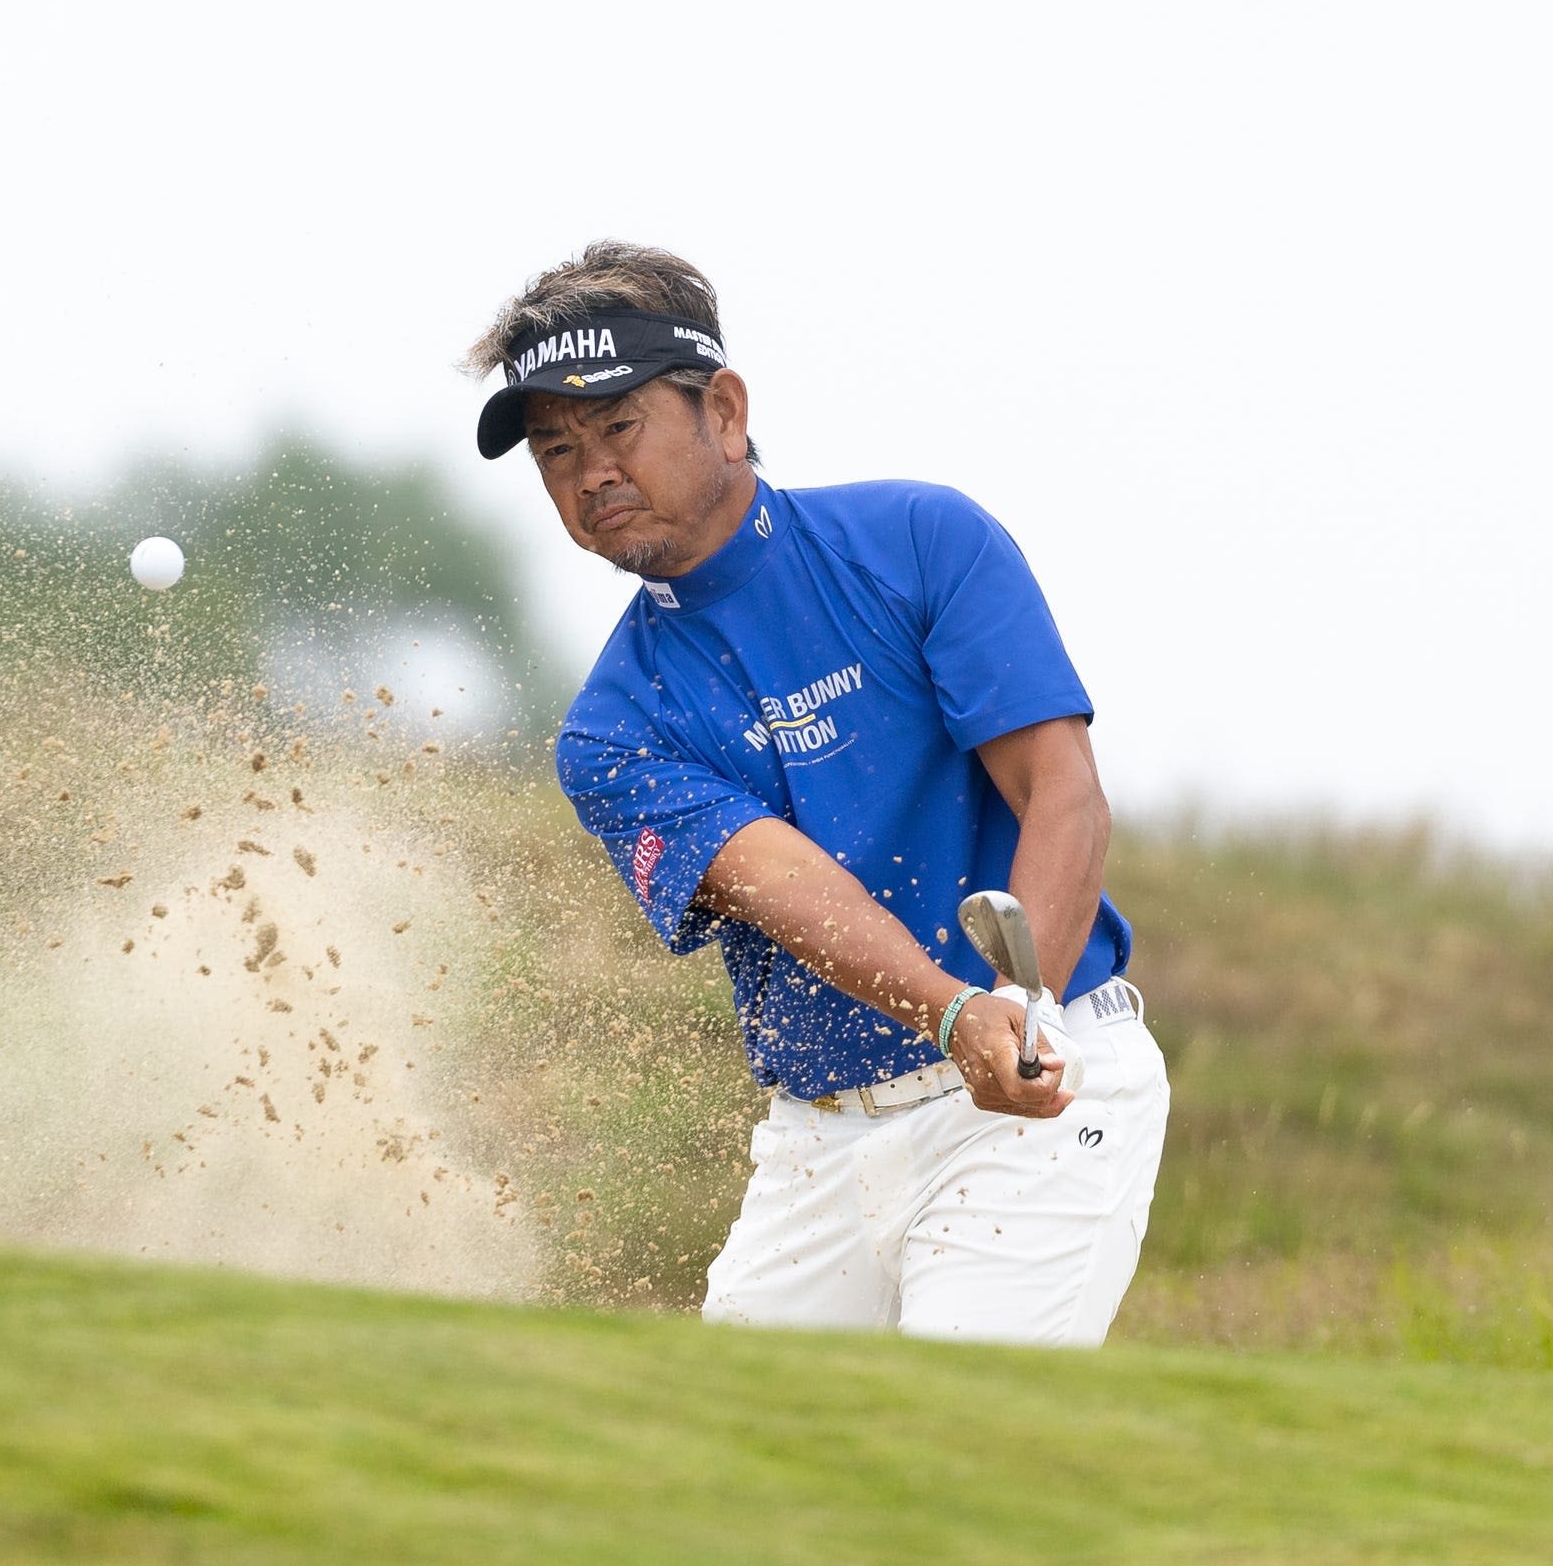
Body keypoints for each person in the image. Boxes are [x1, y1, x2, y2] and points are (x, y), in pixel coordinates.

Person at [466, 242, 1168, 1346]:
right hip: (820, 1144)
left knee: (953, 1444)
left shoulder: (919, 541)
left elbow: (1060, 792)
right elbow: (782, 885)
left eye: (616, 426)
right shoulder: (610, 728)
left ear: (725, 411)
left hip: (1042, 1090)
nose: (588, 469)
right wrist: (950, 1012)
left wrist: (1016, 1015)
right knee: (730, 1480)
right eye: (554, 450)